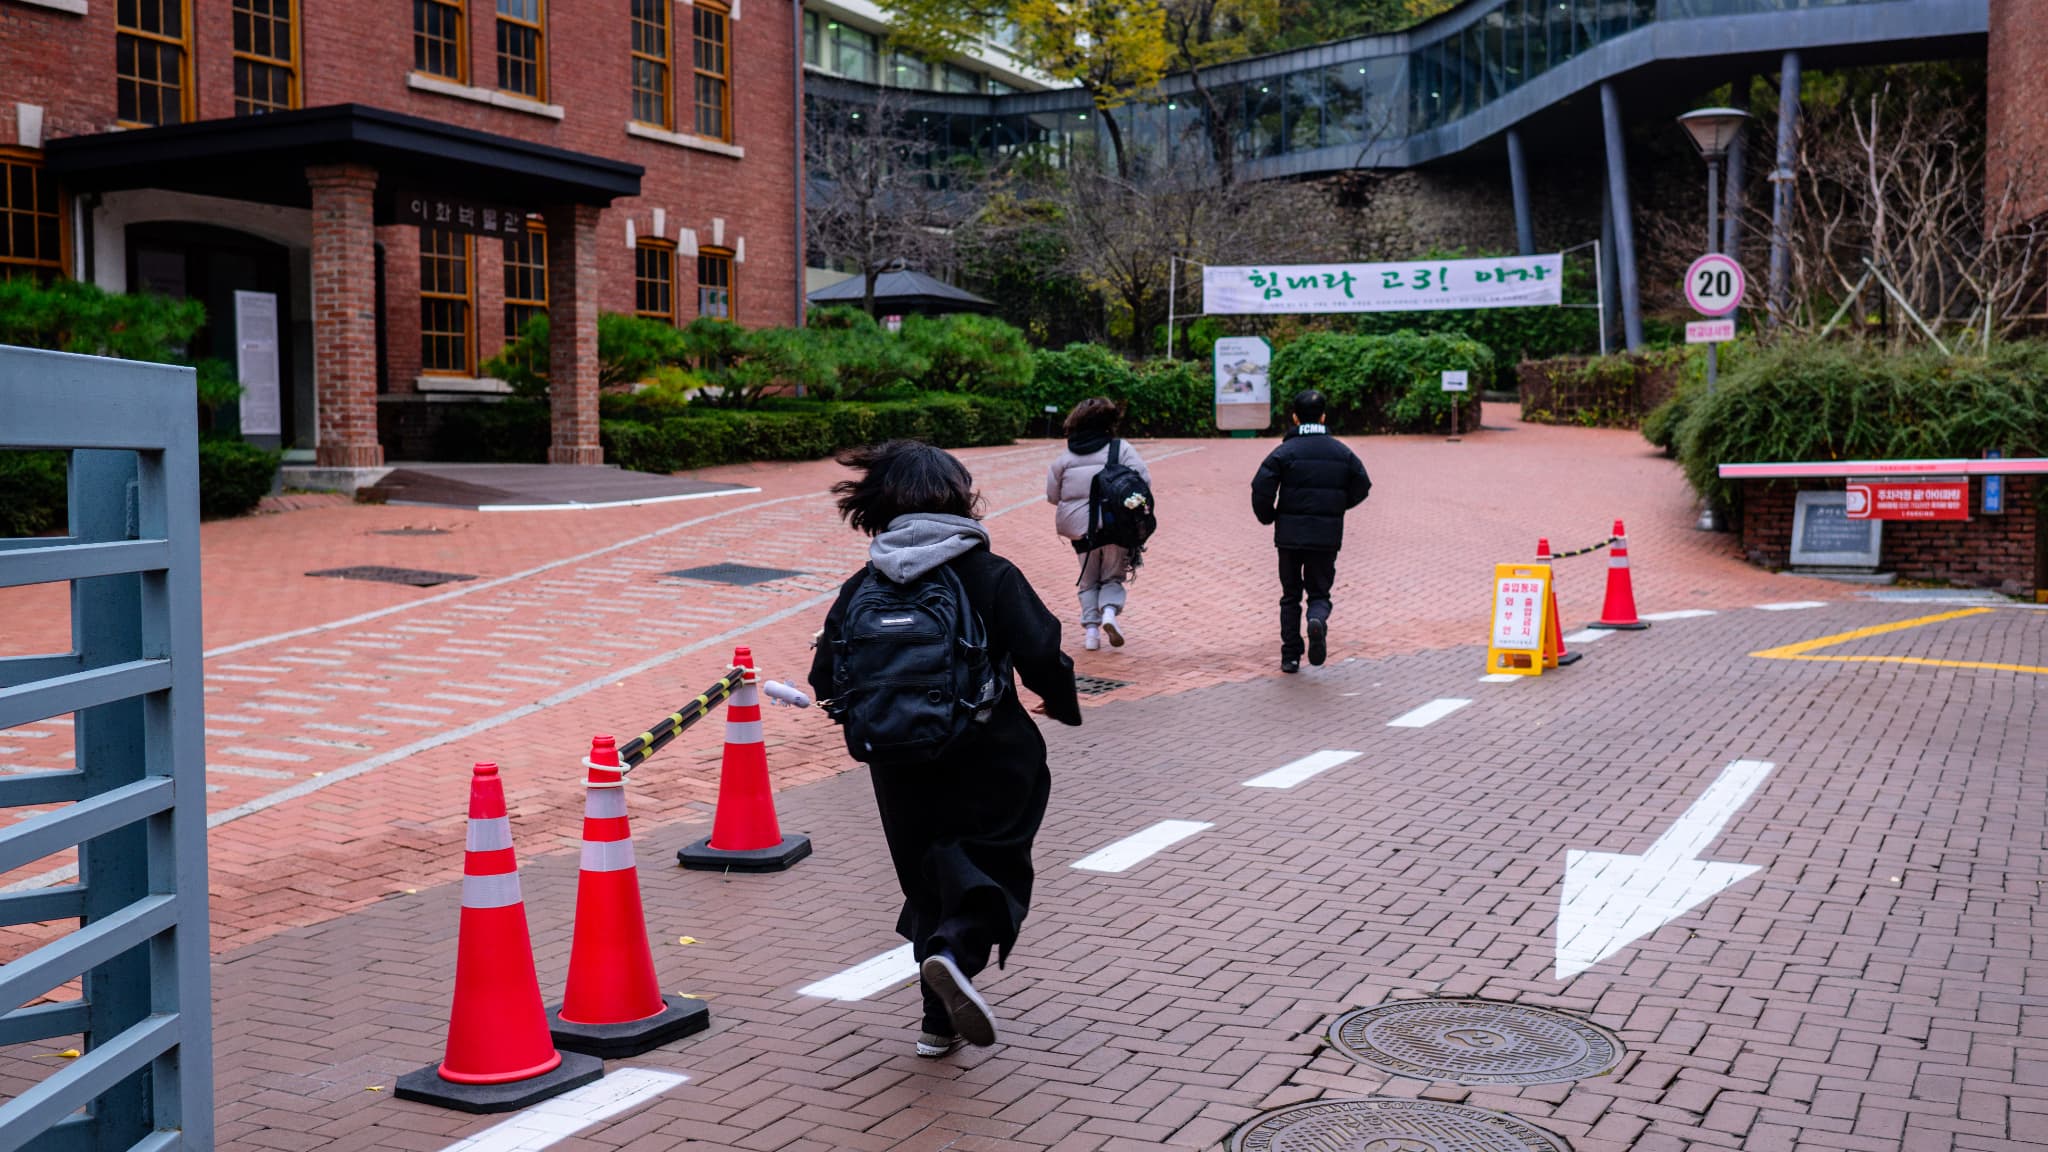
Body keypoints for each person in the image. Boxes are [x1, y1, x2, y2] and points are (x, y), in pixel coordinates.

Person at [809, 440, 1082, 1058]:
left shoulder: (863, 583)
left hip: (897, 760)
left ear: (878, 504)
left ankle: (937, 1024)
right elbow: (1041, 650)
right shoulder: (989, 573)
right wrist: (1060, 700)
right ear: (961, 499)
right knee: (995, 864)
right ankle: (954, 953)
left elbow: (827, 677)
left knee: (927, 880)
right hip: (990, 752)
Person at [1250, 390, 1372, 674]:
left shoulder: (1284, 452)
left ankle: (1290, 656)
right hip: (1326, 536)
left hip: (1289, 537)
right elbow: (1362, 485)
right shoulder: (1342, 452)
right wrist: (1337, 506)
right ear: (1323, 416)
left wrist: (1269, 516)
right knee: (1319, 592)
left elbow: (1261, 487)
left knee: (1290, 595)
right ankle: (1316, 619)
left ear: (1294, 418)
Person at [1045, 397, 1152, 651]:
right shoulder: (1120, 449)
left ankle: (1091, 633)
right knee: (1113, 577)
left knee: (1088, 581)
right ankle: (1109, 614)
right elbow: (1144, 480)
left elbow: (1051, 496)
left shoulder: (1065, 458)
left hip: (1081, 532)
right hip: (1116, 527)